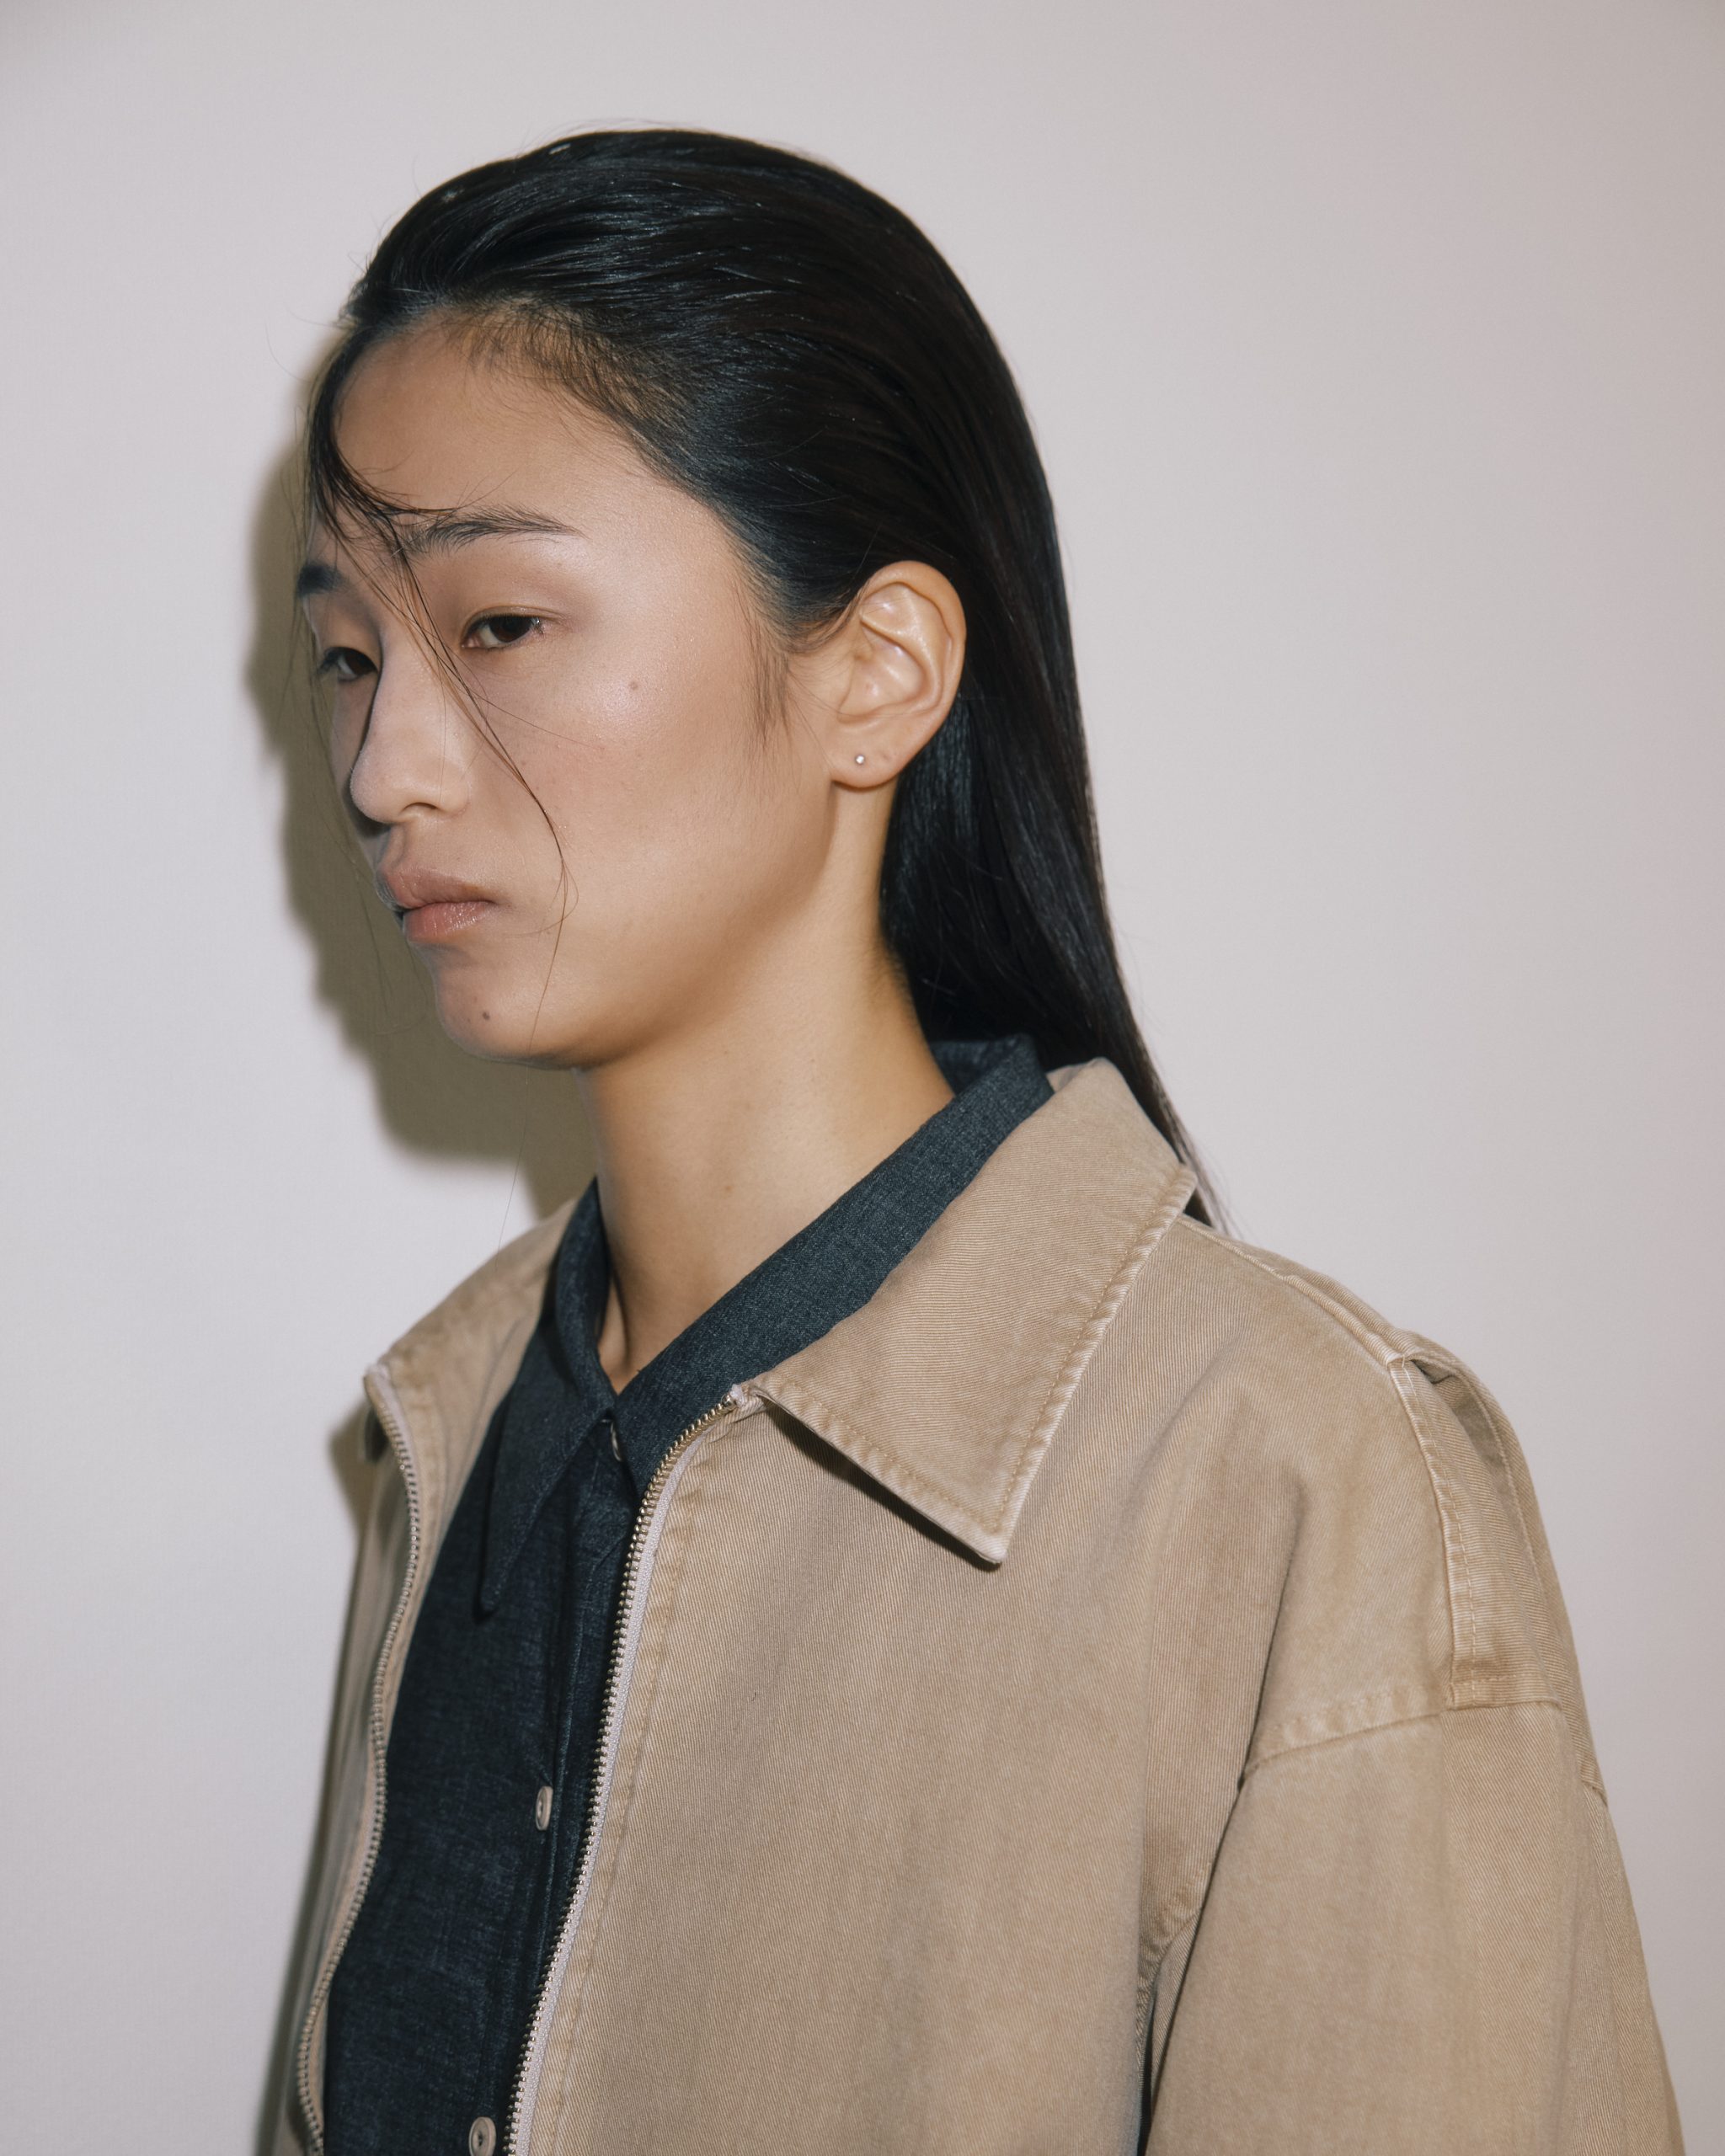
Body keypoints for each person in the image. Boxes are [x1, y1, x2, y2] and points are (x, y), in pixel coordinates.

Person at [275, 128, 1680, 2156]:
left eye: (497, 625)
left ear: (876, 672)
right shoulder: (458, 1437)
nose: (384, 765)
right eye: (347, 654)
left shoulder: (1293, 1483)